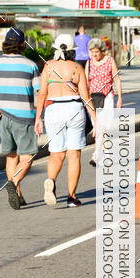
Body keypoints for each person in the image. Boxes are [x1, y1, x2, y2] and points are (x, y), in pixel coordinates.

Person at [34, 35, 96, 208]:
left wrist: (38, 118)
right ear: (72, 51)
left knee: (56, 154)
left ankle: (51, 181)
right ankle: (71, 197)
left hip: (53, 109)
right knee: (74, 155)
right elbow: (86, 97)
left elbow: (42, 93)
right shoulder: (77, 67)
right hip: (74, 109)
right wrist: (95, 120)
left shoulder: (48, 66)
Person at [0, 27, 40, 210]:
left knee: (11, 156)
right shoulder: (30, 65)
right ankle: (13, 183)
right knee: (28, 157)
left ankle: (18, 195)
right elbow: (40, 92)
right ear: (22, 45)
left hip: (1, 116)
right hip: (23, 116)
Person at [86, 38, 123, 166]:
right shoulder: (89, 63)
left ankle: (97, 154)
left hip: (107, 97)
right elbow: (86, 81)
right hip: (93, 98)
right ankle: (107, 154)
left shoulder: (109, 61)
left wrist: (120, 98)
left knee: (102, 126)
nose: (94, 54)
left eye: (96, 52)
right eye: (92, 52)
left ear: (102, 51)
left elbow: (116, 79)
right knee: (99, 127)